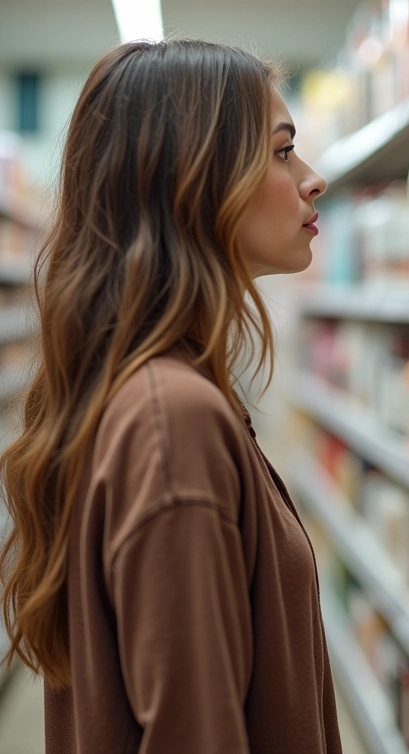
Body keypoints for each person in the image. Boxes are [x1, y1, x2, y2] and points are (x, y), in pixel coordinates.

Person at [0, 39, 342, 753]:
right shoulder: (172, 421)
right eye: (283, 152)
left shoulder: (143, 390)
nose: (313, 179)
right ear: (192, 180)